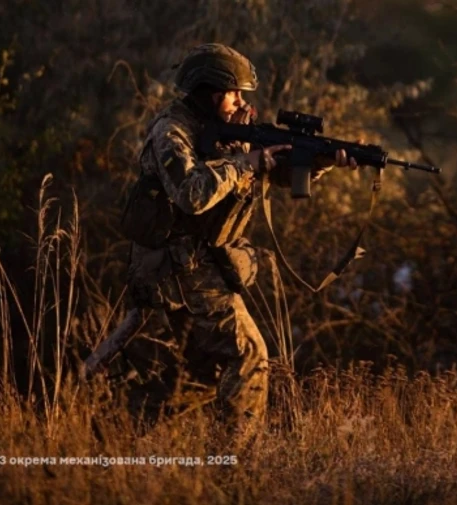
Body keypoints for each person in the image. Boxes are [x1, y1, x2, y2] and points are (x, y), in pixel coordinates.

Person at [122, 43, 356, 442]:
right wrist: (246, 162)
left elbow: (278, 176)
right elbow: (191, 194)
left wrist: (318, 164)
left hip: (200, 262)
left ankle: (118, 431)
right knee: (249, 355)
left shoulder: (233, 128)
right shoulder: (171, 131)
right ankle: (234, 464)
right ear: (209, 91)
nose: (241, 101)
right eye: (234, 93)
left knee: (191, 372)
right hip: (176, 263)